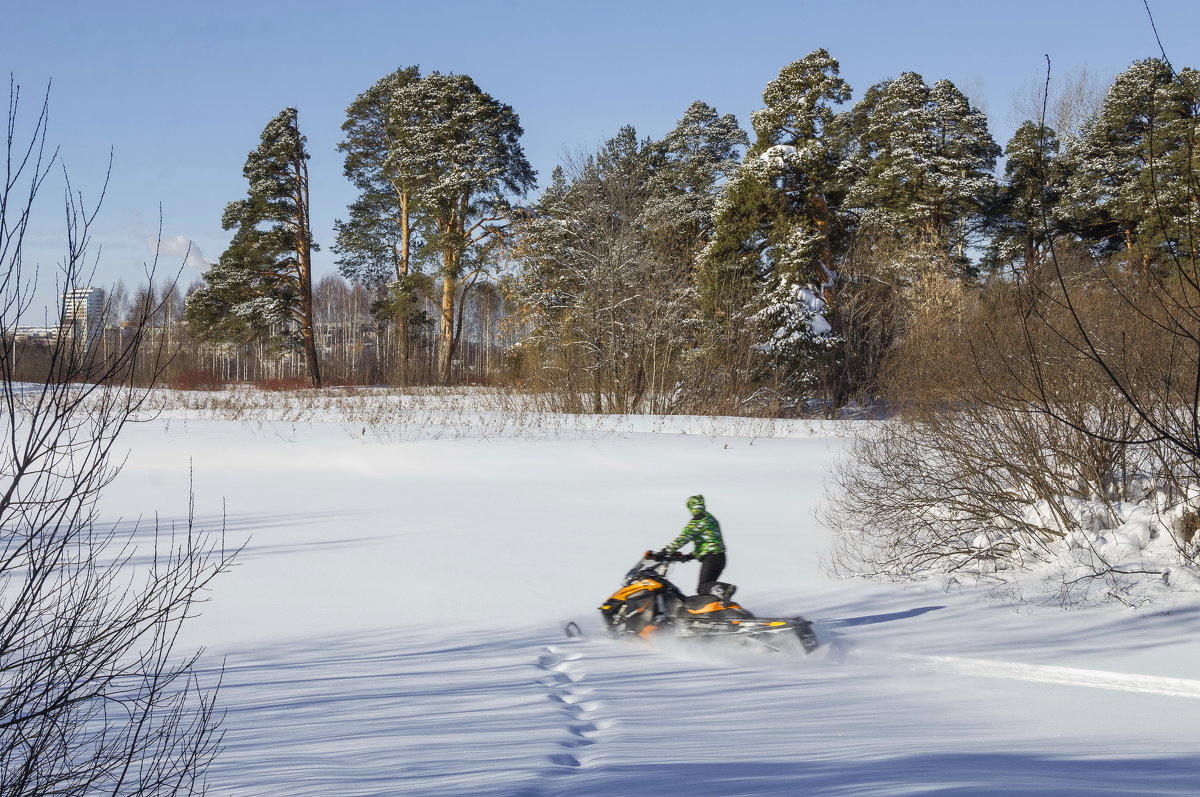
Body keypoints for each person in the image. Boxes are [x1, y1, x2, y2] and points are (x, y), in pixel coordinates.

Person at [657, 494, 726, 595]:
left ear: (691, 507)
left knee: (703, 587)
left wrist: (664, 552)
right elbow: (709, 542)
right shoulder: (710, 518)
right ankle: (716, 608)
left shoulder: (697, 521)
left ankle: (726, 588)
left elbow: (683, 538)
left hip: (711, 558)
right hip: (720, 558)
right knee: (708, 591)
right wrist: (690, 556)